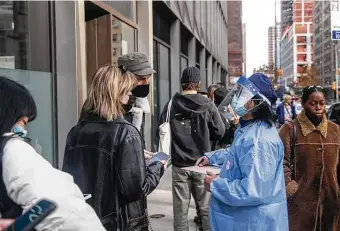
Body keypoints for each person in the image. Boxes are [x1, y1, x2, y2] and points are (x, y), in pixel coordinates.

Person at [62, 65, 165, 231]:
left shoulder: (76, 131)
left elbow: (71, 180)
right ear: (117, 93)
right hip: (119, 222)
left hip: (85, 219)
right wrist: (157, 165)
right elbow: (135, 189)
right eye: (127, 90)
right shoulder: (126, 132)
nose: (130, 94)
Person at [0, 76, 105, 230]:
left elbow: (53, 208)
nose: (23, 130)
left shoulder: (14, 150)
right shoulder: (12, 150)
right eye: (22, 122)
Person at [196, 73, 288, 231]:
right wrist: (212, 157)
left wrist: (216, 185)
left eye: (242, 94)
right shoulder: (250, 130)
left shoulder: (260, 140)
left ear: (254, 103)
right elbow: (237, 152)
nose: (236, 98)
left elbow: (254, 191)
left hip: (253, 222)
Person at [158, 67, 225, 231]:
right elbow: (220, 131)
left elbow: (160, 129)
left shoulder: (172, 104)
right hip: (203, 164)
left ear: (182, 83)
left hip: (180, 165)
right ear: (198, 83)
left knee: (180, 213)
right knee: (207, 210)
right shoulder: (208, 104)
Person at [279, 86, 340, 231]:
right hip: (299, 207)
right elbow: (280, 163)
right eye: (313, 104)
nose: (318, 107)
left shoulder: (335, 130)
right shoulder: (289, 129)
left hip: (330, 207)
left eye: (322, 103)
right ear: (304, 103)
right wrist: (291, 188)